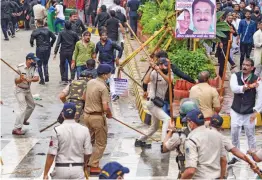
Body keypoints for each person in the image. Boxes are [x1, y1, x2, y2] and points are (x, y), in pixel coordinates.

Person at [43, 102, 92, 179]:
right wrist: (84, 163)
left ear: (62, 114)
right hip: (78, 169)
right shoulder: (85, 130)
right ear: (75, 114)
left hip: (60, 170)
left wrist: (45, 174)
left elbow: (51, 154)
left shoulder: (56, 130)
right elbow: (88, 152)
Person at [228, 58, 262, 165]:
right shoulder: (235, 76)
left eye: (247, 65)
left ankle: (253, 156)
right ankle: (235, 156)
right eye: (243, 64)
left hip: (249, 112)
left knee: (250, 134)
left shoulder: (258, 79)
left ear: (252, 68)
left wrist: (256, 111)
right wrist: (248, 86)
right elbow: (234, 89)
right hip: (236, 110)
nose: (244, 67)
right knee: (234, 133)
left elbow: (260, 97)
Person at [135, 58, 173, 147]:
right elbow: (145, 81)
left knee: (155, 127)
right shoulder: (154, 73)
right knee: (167, 119)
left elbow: (169, 81)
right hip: (152, 103)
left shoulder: (169, 72)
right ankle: (163, 143)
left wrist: (159, 71)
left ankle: (140, 140)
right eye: (164, 65)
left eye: (167, 65)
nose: (166, 67)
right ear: (159, 65)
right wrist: (152, 68)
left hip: (159, 103)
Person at [83, 64, 113, 174]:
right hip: (97, 117)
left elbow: (83, 97)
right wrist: (109, 114)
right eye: (109, 73)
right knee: (101, 143)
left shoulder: (90, 82)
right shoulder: (103, 87)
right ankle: (94, 164)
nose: (110, 75)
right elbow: (105, 106)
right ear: (105, 75)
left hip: (86, 116)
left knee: (89, 141)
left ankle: (85, 162)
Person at [180, 109, 226, 179]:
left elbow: (191, 171)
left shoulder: (191, 140)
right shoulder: (217, 135)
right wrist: (222, 178)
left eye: (187, 122)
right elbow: (223, 160)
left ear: (191, 123)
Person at [162, 99, 199, 178]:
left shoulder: (179, 135)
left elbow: (164, 148)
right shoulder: (209, 132)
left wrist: (170, 131)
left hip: (188, 175)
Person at [12, 53, 40, 135]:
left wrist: (29, 80)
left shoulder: (34, 67)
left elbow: (37, 78)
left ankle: (23, 119)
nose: (35, 61)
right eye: (33, 60)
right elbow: (16, 81)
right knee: (23, 107)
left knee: (32, 105)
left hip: (27, 89)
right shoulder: (19, 67)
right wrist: (20, 79)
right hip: (19, 90)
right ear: (28, 60)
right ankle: (16, 128)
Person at [95, 30, 123, 101]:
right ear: (100, 36)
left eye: (106, 35)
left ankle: (113, 94)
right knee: (101, 80)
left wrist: (118, 58)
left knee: (111, 79)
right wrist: (95, 59)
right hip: (102, 65)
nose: (105, 36)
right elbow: (95, 52)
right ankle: (101, 94)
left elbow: (120, 49)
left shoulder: (111, 43)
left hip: (110, 64)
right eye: (103, 35)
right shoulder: (98, 44)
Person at [30, 19, 56, 85]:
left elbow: (31, 39)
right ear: (43, 23)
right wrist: (51, 44)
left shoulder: (35, 31)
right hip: (47, 48)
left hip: (39, 48)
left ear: (37, 24)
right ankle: (46, 75)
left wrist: (32, 44)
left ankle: (42, 79)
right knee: (45, 63)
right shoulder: (48, 30)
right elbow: (54, 37)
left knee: (39, 64)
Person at [216, 14, 237, 78]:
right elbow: (219, 34)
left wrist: (233, 31)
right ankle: (221, 75)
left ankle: (232, 64)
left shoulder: (232, 25)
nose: (230, 19)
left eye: (231, 18)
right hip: (223, 43)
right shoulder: (224, 25)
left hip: (229, 44)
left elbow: (236, 34)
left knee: (225, 57)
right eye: (229, 18)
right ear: (227, 18)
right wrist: (219, 42)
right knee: (223, 60)